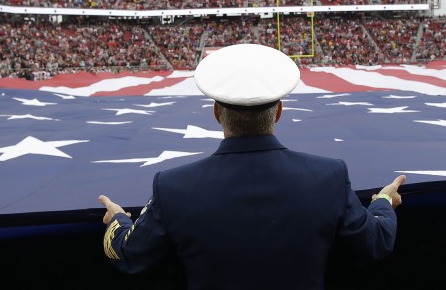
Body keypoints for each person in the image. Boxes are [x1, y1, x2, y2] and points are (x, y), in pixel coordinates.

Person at [98, 43, 407, 289]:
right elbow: (376, 243)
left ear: (217, 113)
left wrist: (118, 221)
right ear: (280, 112)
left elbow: (130, 256)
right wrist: (382, 202)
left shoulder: (172, 186)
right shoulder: (329, 176)